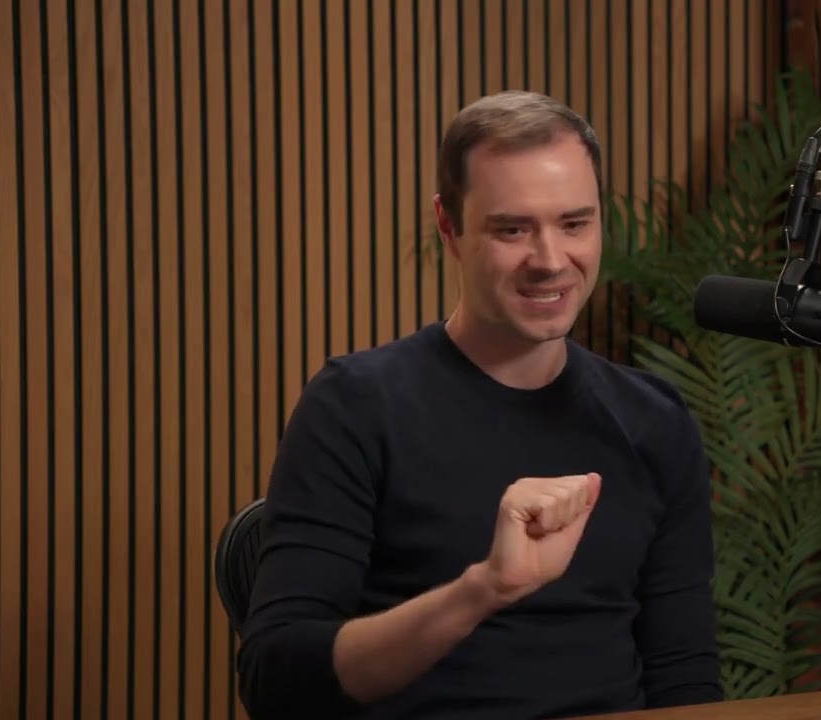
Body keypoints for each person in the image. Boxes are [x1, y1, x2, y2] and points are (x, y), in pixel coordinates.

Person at [235, 90, 724, 719]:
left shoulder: (656, 420)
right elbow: (276, 681)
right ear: (449, 227)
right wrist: (484, 589)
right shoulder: (353, 406)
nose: (551, 261)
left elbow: (684, 678)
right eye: (512, 229)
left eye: (575, 224)